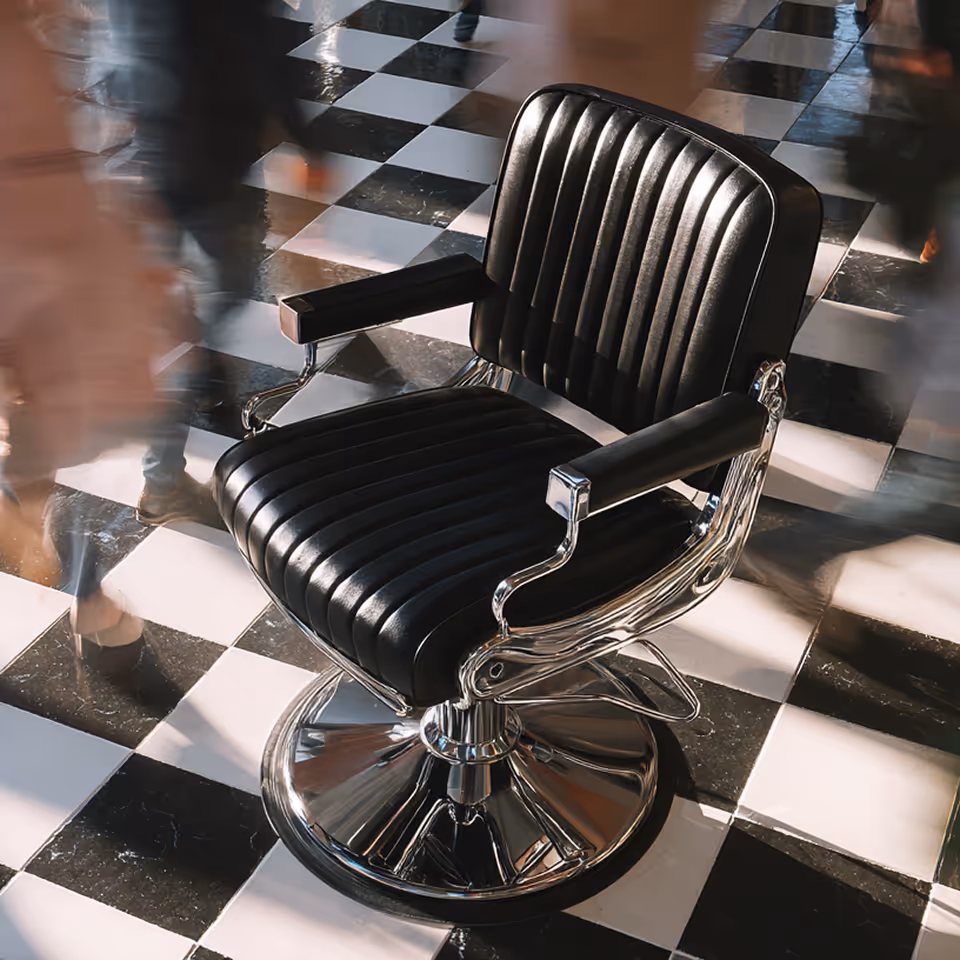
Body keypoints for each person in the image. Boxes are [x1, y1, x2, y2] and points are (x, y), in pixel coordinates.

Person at [105, 0, 325, 526]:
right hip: (210, 169)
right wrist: (310, 144)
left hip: (154, 163)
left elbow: (122, 55)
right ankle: (163, 479)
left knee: (194, 311)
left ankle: (202, 378)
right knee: (217, 305)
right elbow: (262, 54)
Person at [0, 0, 170, 650]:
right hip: (32, 262)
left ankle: (80, 585)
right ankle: (82, 590)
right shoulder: (18, 44)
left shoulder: (26, 37)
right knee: (34, 426)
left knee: (31, 427)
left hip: (34, 262)